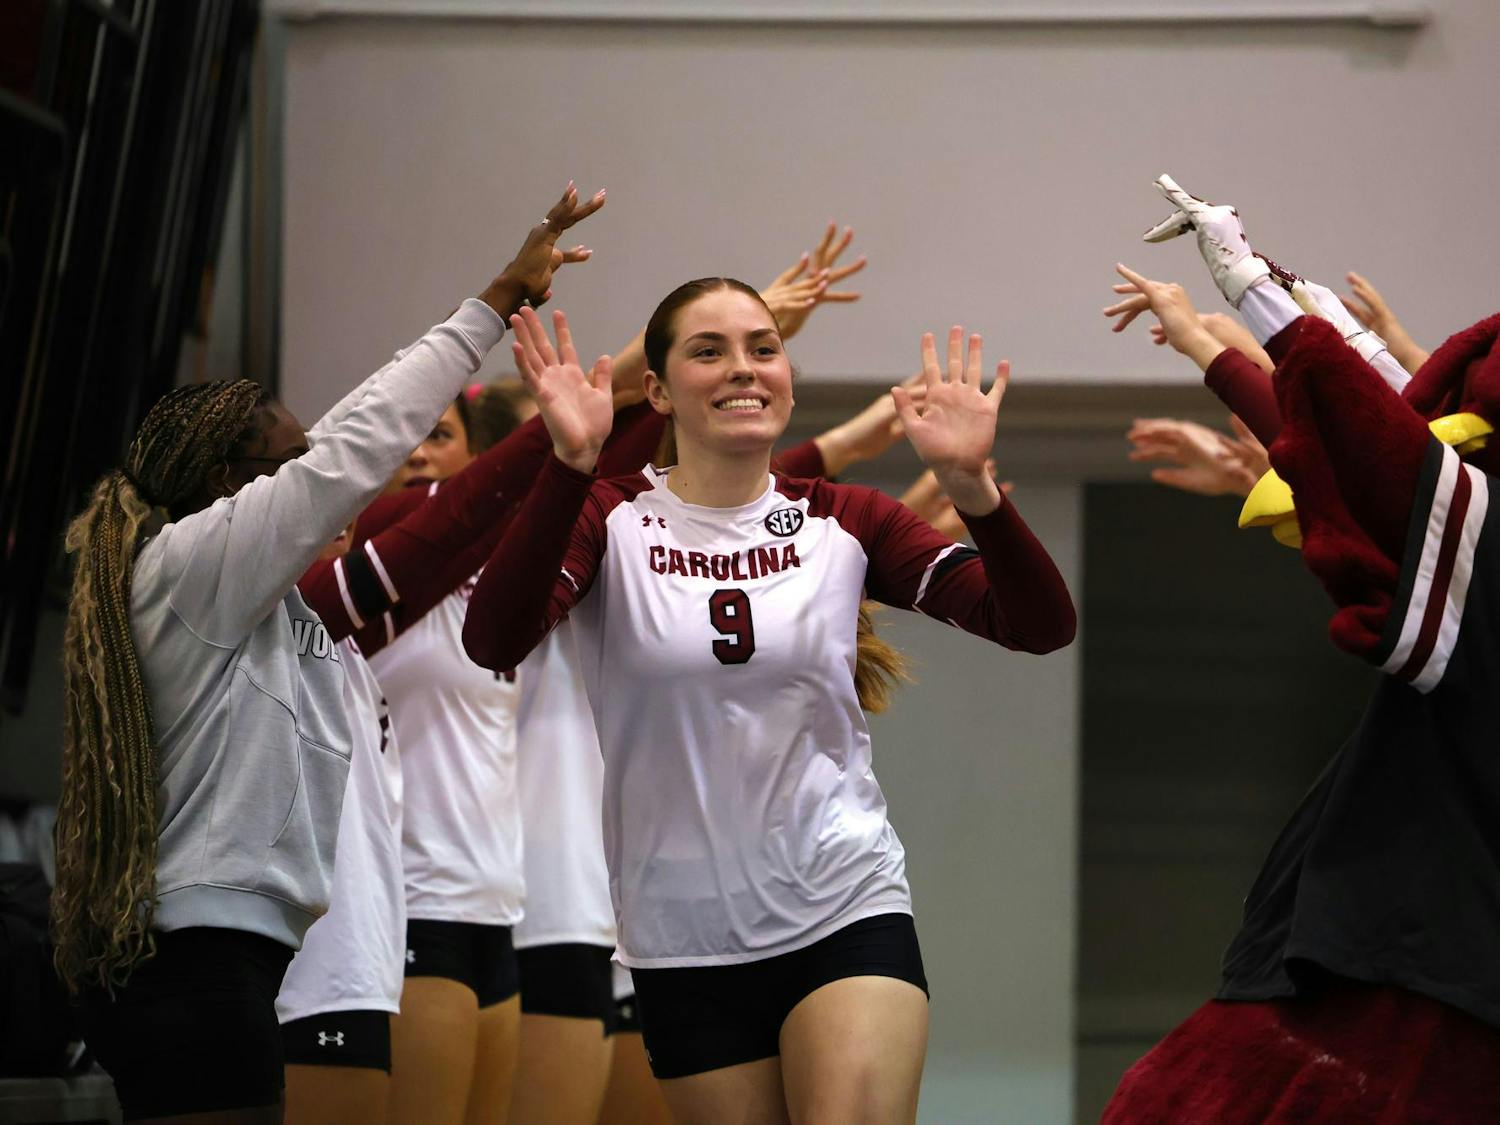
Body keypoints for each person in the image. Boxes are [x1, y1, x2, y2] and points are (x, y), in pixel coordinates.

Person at [49, 180, 600, 1123]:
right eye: (286, 467)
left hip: (235, 960)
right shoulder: (188, 565)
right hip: (195, 962)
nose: (314, 488)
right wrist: (496, 300)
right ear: (228, 486)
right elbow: (360, 451)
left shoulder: (256, 603)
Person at [462, 281, 1075, 1124]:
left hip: (842, 904)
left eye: (762, 347)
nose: (742, 369)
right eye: (707, 351)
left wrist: (974, 489)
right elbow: (493, 640)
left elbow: (1039, 625)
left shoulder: (847, 520)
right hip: (682, 937)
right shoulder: (611, 519)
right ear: (659, 390)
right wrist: (568, 468)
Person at [1098, 178, 1500, 1120]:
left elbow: (1374, 444)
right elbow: (1378, 429)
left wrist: (1244, 301)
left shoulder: (1475, 535)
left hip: (1431, 951)